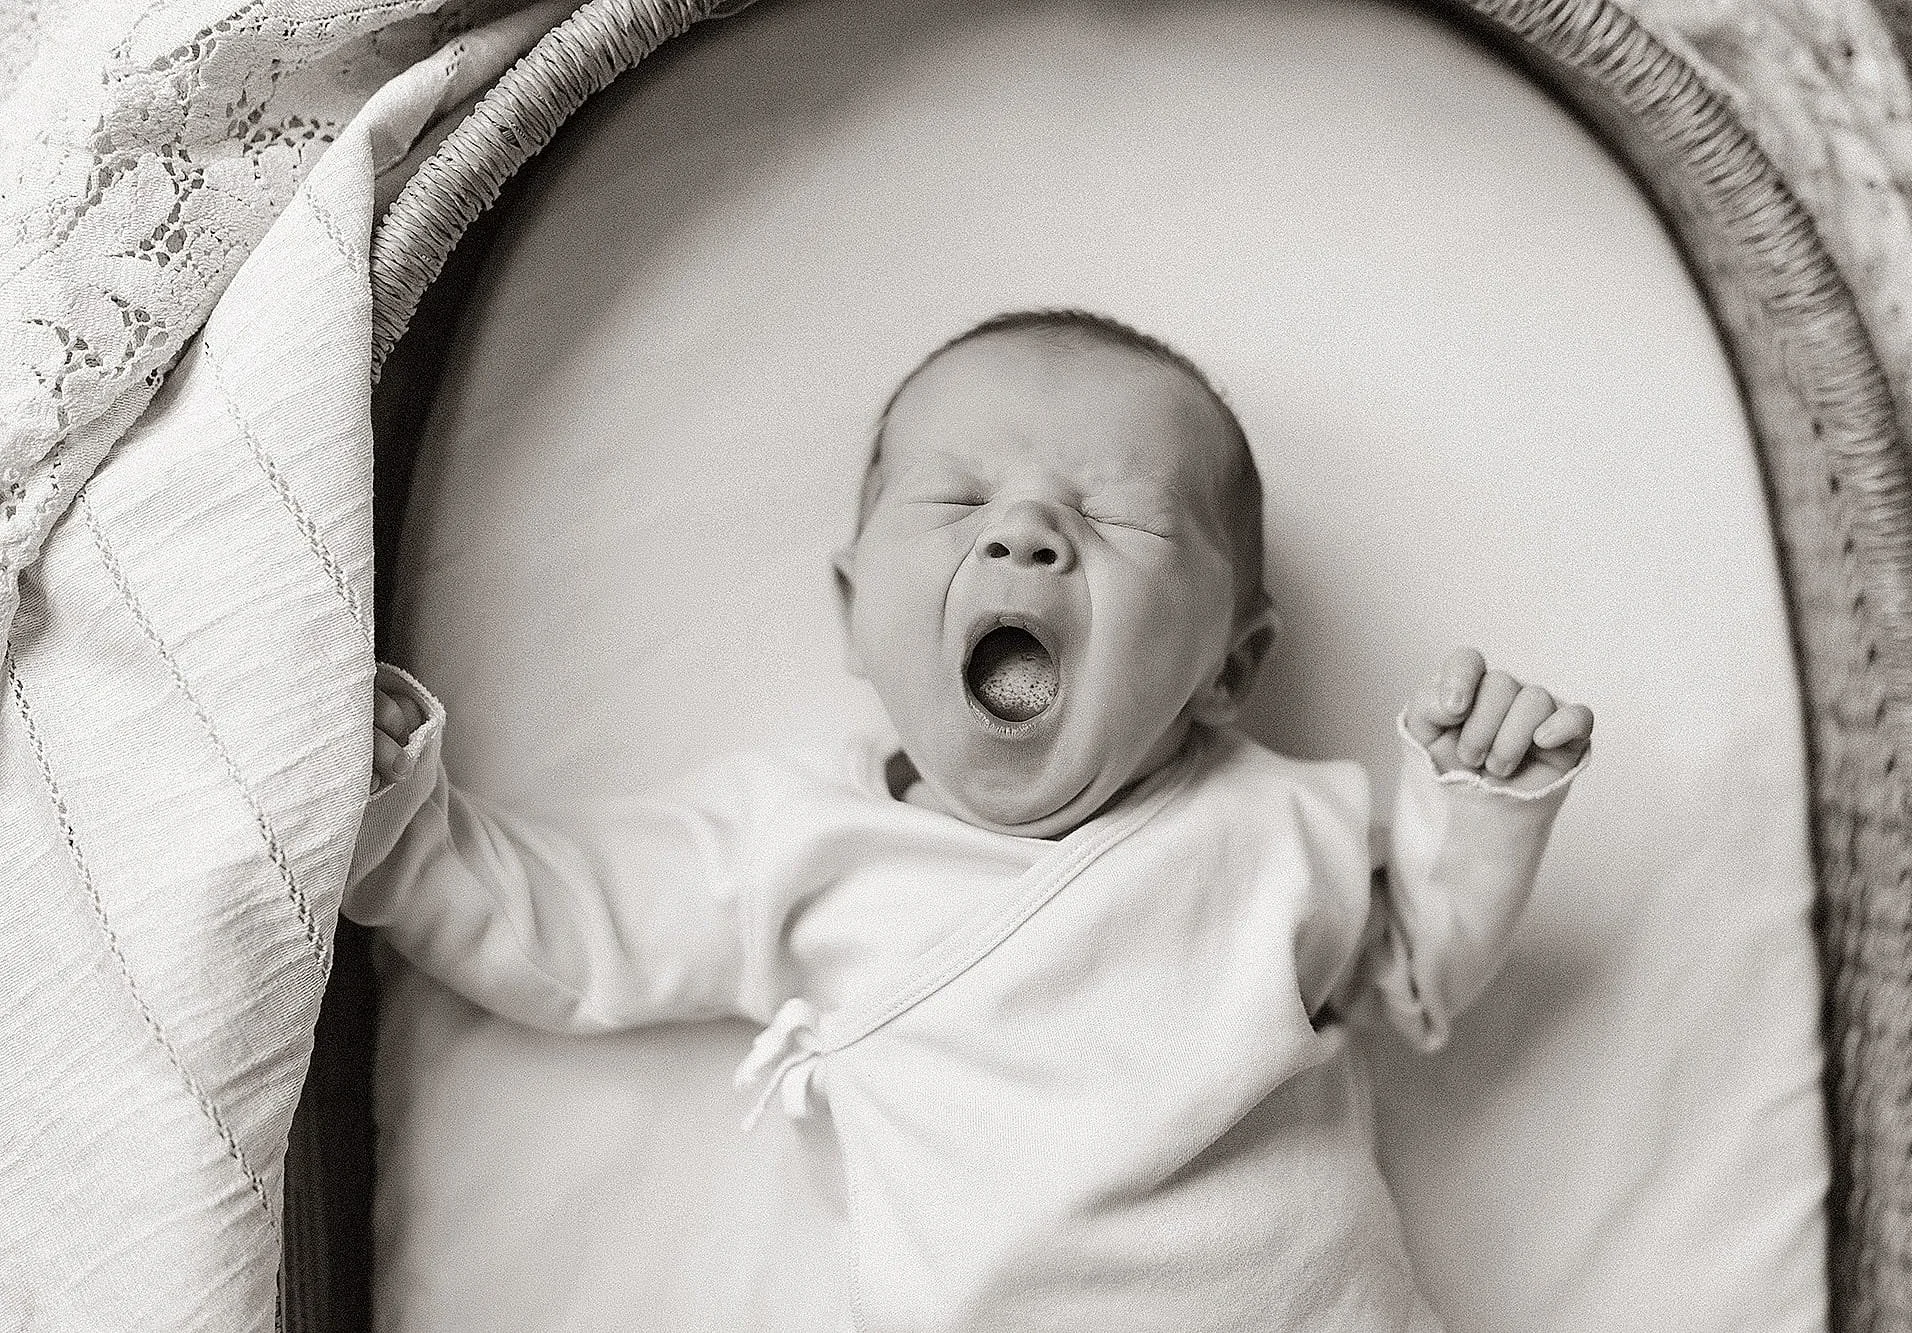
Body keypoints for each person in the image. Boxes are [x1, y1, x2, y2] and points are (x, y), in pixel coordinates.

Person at [352, 308, 1593, 1330]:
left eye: (1113, 515)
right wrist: (400, 818)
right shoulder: (796, 837)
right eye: (954, 504)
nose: (1024, 532)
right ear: (851, 612)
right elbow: (565, 927)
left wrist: (1475, 798)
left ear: (1229, 663)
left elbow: (1420, 965)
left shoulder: (1276, 821)